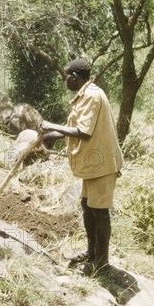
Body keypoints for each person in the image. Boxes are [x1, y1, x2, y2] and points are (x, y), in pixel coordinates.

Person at [41, 58, 123, 275]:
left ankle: (102, 263)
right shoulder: (85, 94)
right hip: (93, 164)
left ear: (74, 77)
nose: (64, 81)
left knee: (100, 211)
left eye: (66, 77)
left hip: (102, 164)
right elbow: (74, 127)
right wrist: (49, 136)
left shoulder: (91, 96)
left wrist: (50, 125)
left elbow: (83, 132)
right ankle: (91, 252)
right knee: (88, 207)